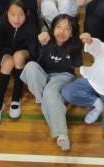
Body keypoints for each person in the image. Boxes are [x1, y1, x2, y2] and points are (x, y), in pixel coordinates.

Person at [21, 14, 83, 151]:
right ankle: (43, 98)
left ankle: (62, 134)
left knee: (50, 93)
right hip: (44, 74)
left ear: (72, 33)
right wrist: (40, 42)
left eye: (67, 28)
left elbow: (77, 67)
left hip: (63, 76)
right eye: (58, 27)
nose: (61, 31)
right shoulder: (45, 39)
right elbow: (33, 53)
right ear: (52, 28)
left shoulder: (75, 45)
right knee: (30, 67)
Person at [0, 0, 39, 124]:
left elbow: (34, 50)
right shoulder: (3, 20)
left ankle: (16, 97)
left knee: (18, 56)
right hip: (7, 51)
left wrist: (26, 56)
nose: (16, 19)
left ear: (26, 14)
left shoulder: (31, 25)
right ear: (7, 13)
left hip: (24, 54)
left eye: (20, 15)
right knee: (8, 62)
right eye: (12, 14)